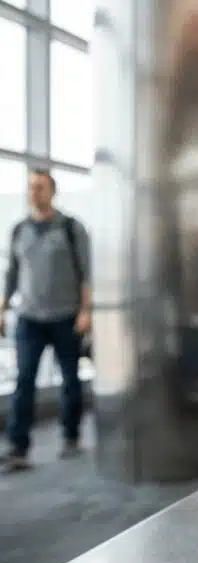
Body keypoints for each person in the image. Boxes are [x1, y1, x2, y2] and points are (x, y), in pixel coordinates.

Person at [0, 170, 91, 471]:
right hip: (29, 319)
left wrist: (86, 311)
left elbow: (86, 273)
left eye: (40, 187)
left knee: (69, 379)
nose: (34, 193)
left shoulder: (70, 228)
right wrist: (2, 308)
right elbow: (11, 275)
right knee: (24, 381)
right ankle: (18, 447)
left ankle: (70, 435)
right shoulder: (19, 230)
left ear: (53, 191)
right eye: (30, 188)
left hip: (66, 317)